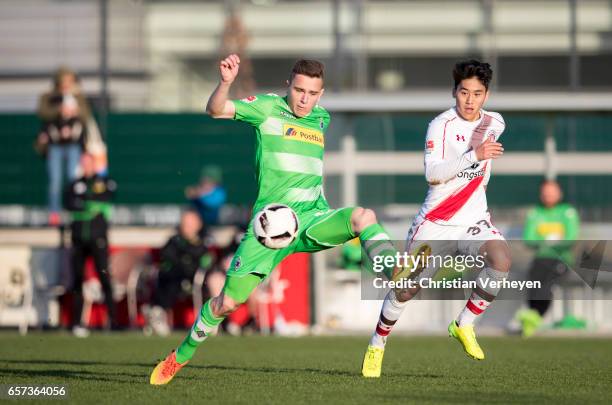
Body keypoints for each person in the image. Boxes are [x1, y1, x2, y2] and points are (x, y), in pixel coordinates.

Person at [150, 54, 402, 385]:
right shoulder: (267, 107)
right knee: (227, 302)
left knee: (362, 216)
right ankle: (179, 356)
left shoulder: (321, 118)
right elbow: (215, 110)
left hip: (312, 219)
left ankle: (394, 269)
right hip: (270, 228)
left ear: (321, 94)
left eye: (312, 94)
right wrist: (226, 83)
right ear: (289, 86)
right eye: (299, 90)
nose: (305, 99)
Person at [361, 60, 511, 378]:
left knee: (501, 259)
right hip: (435, 221)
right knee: (405, 289)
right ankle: (377, 344)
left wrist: (478, 166)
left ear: (487, 95)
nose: (470, 100)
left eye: (478, 93)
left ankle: (464, 324)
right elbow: (432, 175)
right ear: (454, 91)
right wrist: (475, 156)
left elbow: (488, 148)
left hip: (473, 220)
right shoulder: (440, 125)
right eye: (464, 92)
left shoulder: (495, 122)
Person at [517, 179, 580, 337]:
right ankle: (532, 316)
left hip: (562, 260)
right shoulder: (535, 213)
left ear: (560, 193)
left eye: (552, 192)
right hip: (541, 259)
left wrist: (545, 242)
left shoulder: (567, 212)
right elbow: (529, 239)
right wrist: (553, 241)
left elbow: (570, 239)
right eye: (545, 192)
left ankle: (534, 316)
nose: (548, 195)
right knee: (534, 280)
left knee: (546, 283)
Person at [65, 153, 117, 337]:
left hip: (98, 239)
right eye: (84, 162)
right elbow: (69, 203)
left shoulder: (104, 182)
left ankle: (113, 320)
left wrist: (87, 205)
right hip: (79, 239)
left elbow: (108, 197)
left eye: (90, 162)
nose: (87, 166)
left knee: (104, 277)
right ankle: (77, 322)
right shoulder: (74, 184)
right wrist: (89, 207)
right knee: (77, 280)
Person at [148, 210, 216, 336]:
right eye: (185, 224)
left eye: (190, 224)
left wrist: (188, 259)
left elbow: (207, 261)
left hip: (198, 281)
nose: (187, 228)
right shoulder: (174, 241)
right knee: (169, 278)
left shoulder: (204, 242)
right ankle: (158, 313)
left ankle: (211, 322)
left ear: (198, 225)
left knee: (213, 280)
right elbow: (167, 258)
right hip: (174, 280)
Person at [37, 67, 92, 226]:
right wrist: (60, 109)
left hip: (73, 144)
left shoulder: (78, 97)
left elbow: (86, 115)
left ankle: (73, 210)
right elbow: (43, 113)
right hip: (55, 144)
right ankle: (54, 213)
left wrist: (75, 110)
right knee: (55, 180)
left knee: (72, 178)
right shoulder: (50, 97)